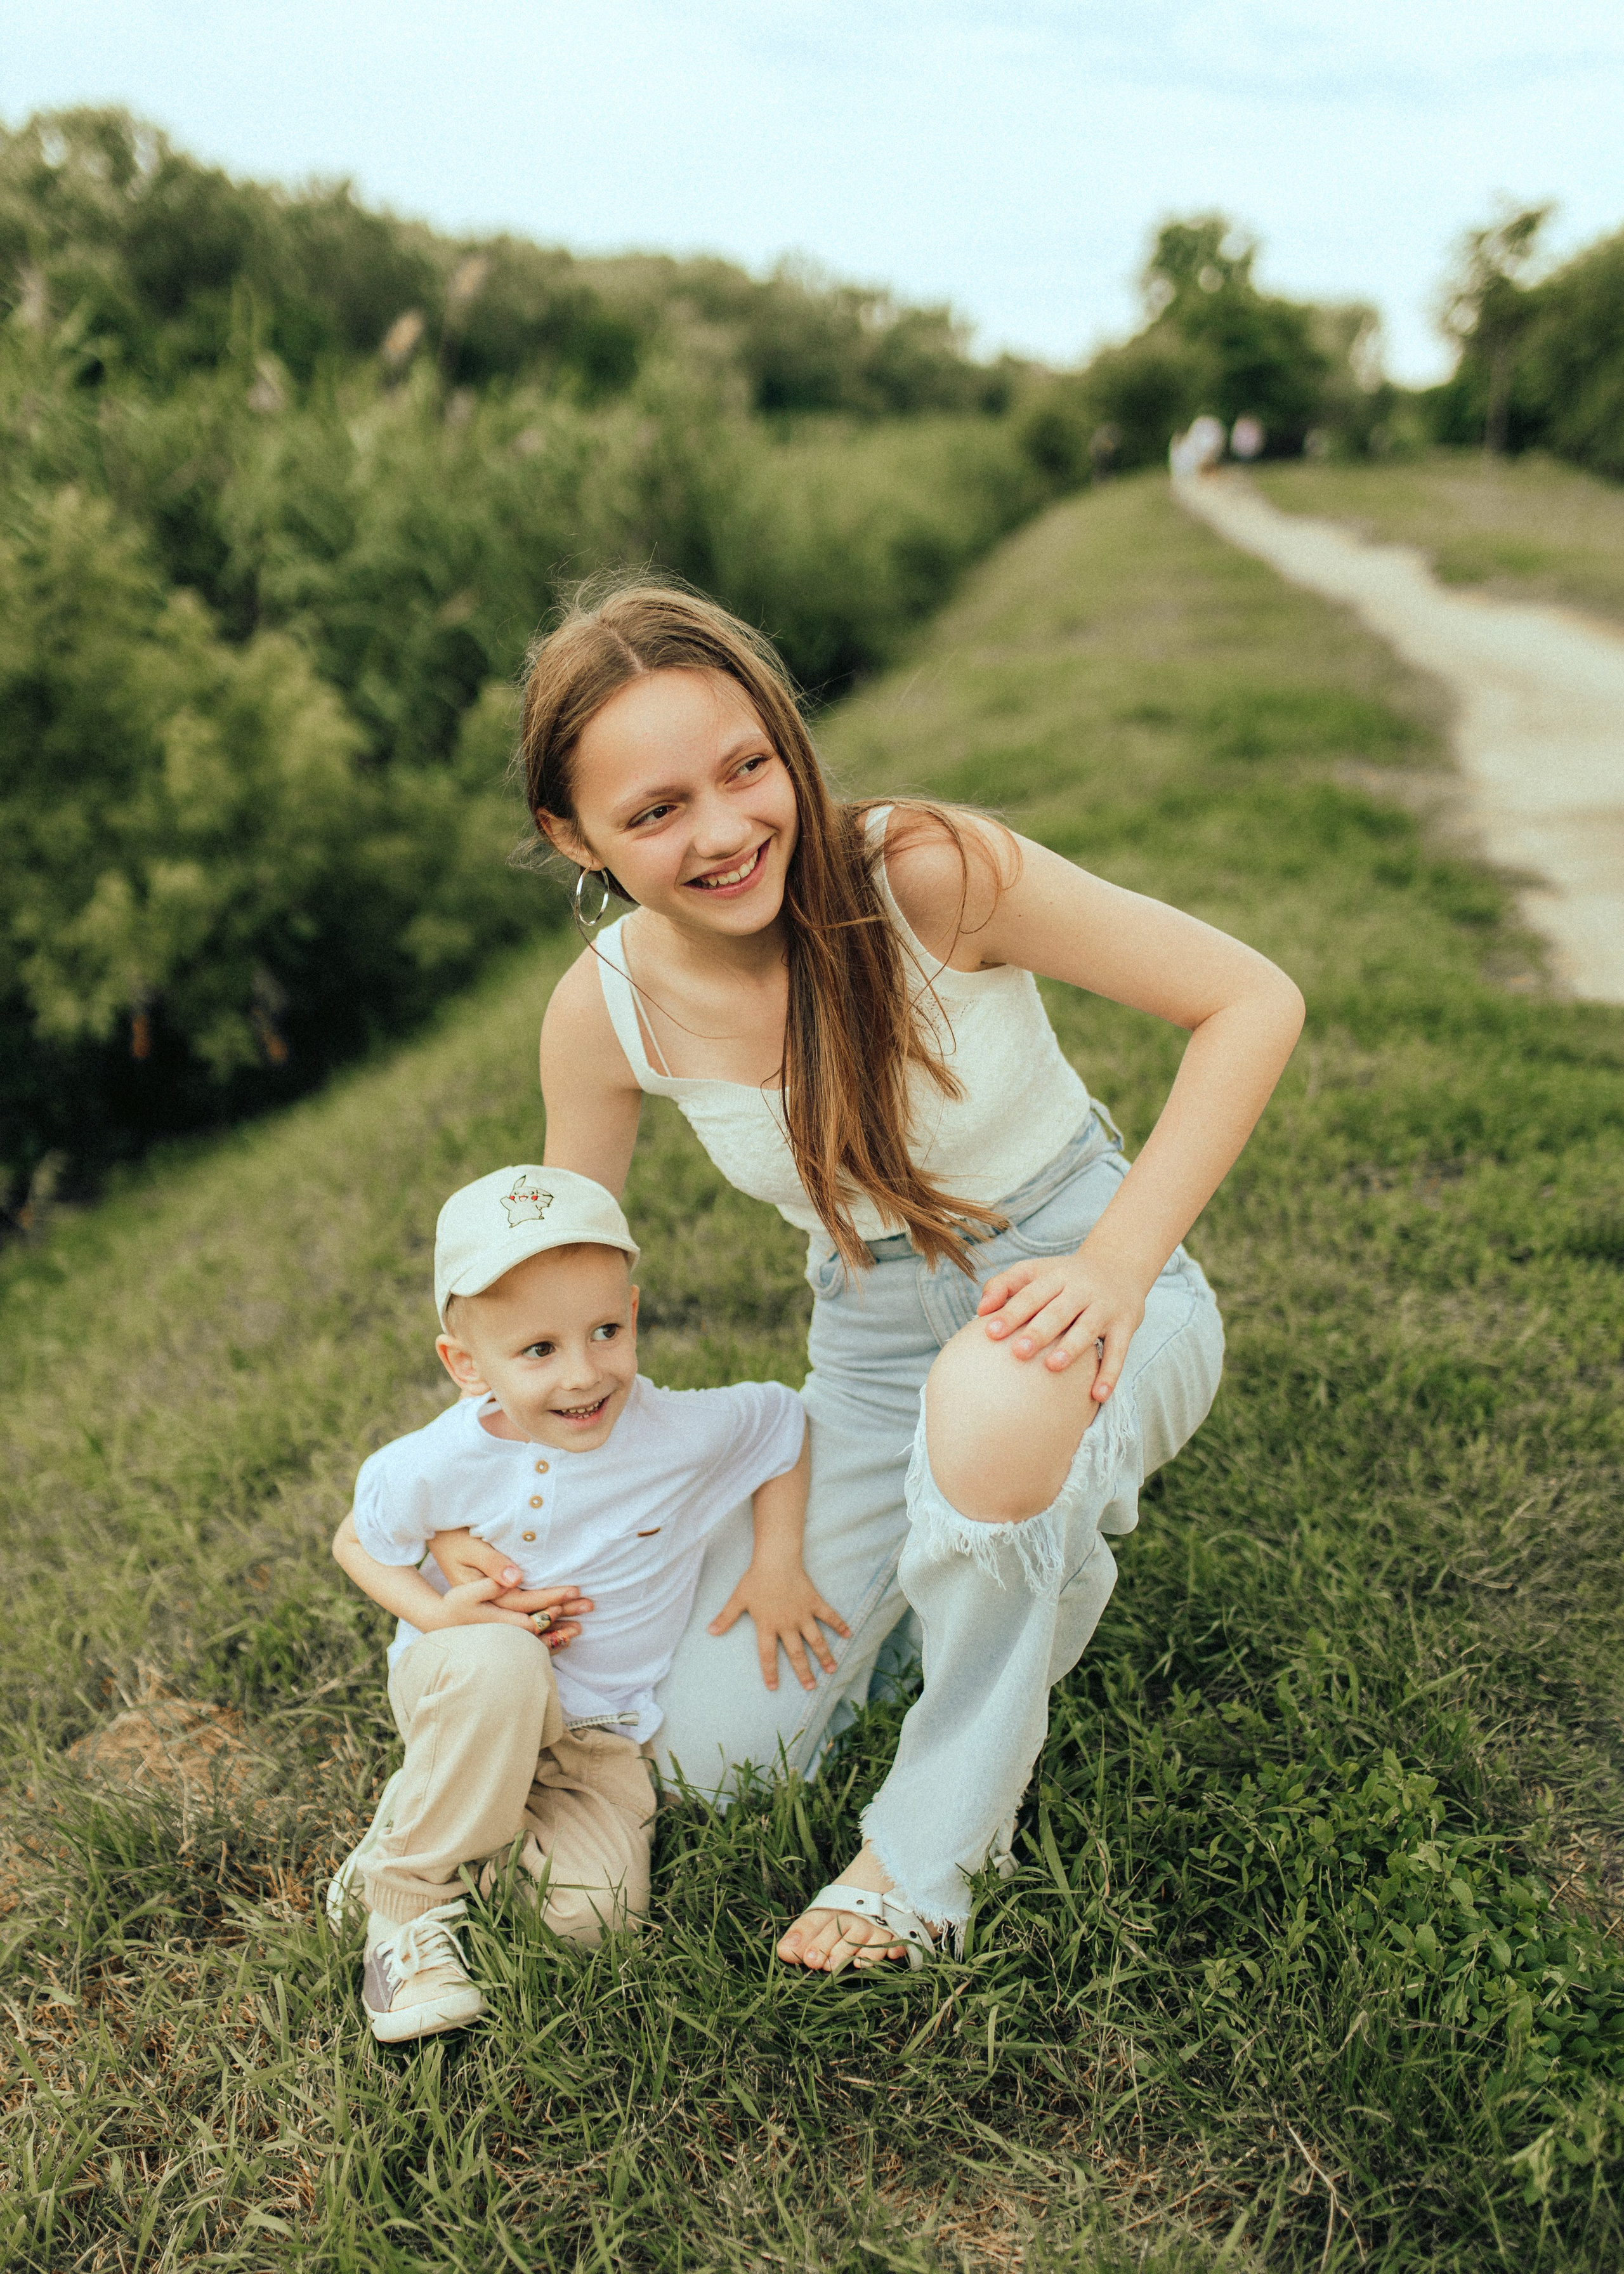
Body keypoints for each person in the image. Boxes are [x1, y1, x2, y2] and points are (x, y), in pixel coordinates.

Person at [432, 581, 1304, 1975]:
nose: (725, 831)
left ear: (788, 740)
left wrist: (1115, 1266)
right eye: (655, 812)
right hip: (866, 1346)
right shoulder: (602, 1011)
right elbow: (546, 1295)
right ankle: (983, 1563)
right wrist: (477, 1508)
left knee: (997, 1415)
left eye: (746, 768)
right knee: (713, 1755)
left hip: (1076, 1273)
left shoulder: (929, 870)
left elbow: (1250, 1000)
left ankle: (928, 1852)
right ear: (572, 835)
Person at [327, 1164, 831, 2041]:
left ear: (633, 1313)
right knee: (505, 1657)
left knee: (594, 1920)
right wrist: (440, 1615)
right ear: (465, 1365)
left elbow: (783, 1423)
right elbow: (356, 1542)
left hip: (596, 1736)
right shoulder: (433, 1464)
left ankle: (422, 1821)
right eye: (539, 1350)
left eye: (605, 1332)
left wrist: (778, 1563)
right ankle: (406, 1908)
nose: (585, 1374)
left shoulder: (679, 1432)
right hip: (470, 1691)